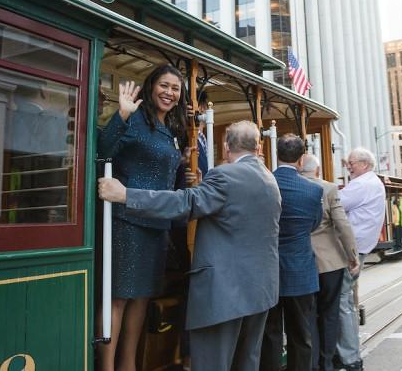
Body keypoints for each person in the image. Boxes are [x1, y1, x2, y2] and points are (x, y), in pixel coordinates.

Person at [98, 120, 281, 371]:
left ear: (226, 147)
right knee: (246, 362)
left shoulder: (225, 174)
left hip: (225, 293)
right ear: (258, 147)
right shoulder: (269, 178)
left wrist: (126, 195)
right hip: (260, 291)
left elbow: (186, 204)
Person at [96, 65, 188, 371]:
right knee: (119, 298)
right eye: (164, 85)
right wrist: (120, 115)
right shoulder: (134, 118)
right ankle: (107, 367)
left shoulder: (174, 130)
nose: (169, 93)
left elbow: (172, 180)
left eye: (175, 88)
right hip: (128, 222)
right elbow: (103, 152)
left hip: (157, 225)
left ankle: (128, 365)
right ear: (151, 87)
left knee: (143, 298)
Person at [261, 135, 323, 371]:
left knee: (270, 334)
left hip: (269, 270)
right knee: (301, 336)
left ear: (277, 155)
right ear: (301, 159)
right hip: (301, 271)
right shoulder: (312, 191)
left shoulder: (265, 183)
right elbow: (314, 225)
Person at [301, 154, 358, 371]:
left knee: (308, 316)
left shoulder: (292, 187)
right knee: (329, 314)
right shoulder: (329, 188)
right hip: (331, 263)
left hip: (303, 261)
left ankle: (313, 364)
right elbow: (342, 225)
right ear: (317, 170)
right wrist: (352, 255)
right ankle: (326, 363)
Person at [336, 148, 386, 371]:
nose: (349, 166)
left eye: (352, 163)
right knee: (348, 302)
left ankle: (349, 358)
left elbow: (335, 203)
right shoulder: (373, 182)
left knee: (342, 303)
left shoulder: (362, 184)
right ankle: (349, 352)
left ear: (364, 164)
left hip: (349, 251)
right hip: (360, 248)